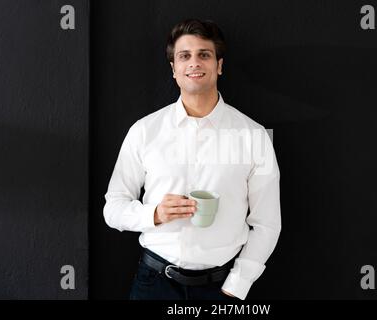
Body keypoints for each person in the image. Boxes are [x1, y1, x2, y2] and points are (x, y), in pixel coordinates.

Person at [103, 18, 281, 300]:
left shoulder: (254, 135)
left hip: (222, 288)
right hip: (154, 284)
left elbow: (267, 224)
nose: (194, 63)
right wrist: (155, 214)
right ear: (174, 69)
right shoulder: (144, 131)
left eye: (204, 55)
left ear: (219, 65)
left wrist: (237, 286)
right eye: (184, 56)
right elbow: (112, 208)